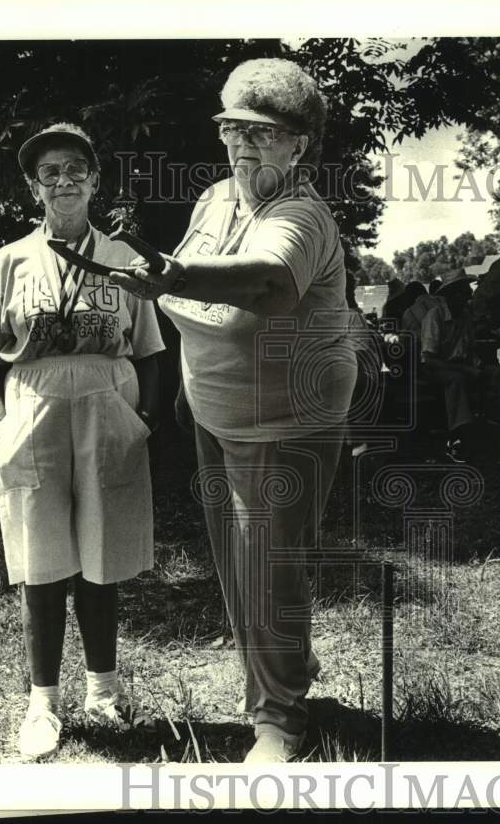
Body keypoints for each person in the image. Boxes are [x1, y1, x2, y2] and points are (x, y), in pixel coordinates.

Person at [110, 58, 356, 763]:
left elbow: (271, 285)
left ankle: (279, 718)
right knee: (236, 561)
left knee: (268, 568)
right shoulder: (218, 198)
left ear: (299, 144)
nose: (240, 144)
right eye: (229, 129)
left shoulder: (303, 215)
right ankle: (287, 677)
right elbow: (193, 303)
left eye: (261, 133)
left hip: (287, 420)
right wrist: (189, 390)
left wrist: (175, 274)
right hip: (217, 410)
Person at [0, 123, 165, 760]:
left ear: (95, 179)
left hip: (108, 412)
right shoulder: (10, 261)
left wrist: (146, 420)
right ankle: (42, 703)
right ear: (33, 185)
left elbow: (151, 350)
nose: (64, 180)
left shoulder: (124, 259)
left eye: (75, 168)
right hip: (34, 409)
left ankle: (104, 693)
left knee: (102, 559)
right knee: (42, 563)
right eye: (49, 171)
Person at [420, 267, 480, 462]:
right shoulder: (434, 317)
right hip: (436, 368)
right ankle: (458, 437)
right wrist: (464, 368)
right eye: (464, 291)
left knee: (499, 375)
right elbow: (429, 358)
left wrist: (476, 365)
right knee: (456, 379)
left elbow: (469, 349)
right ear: (453, 294)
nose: (469, 295)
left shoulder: (465, 316)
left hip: (460, 366)